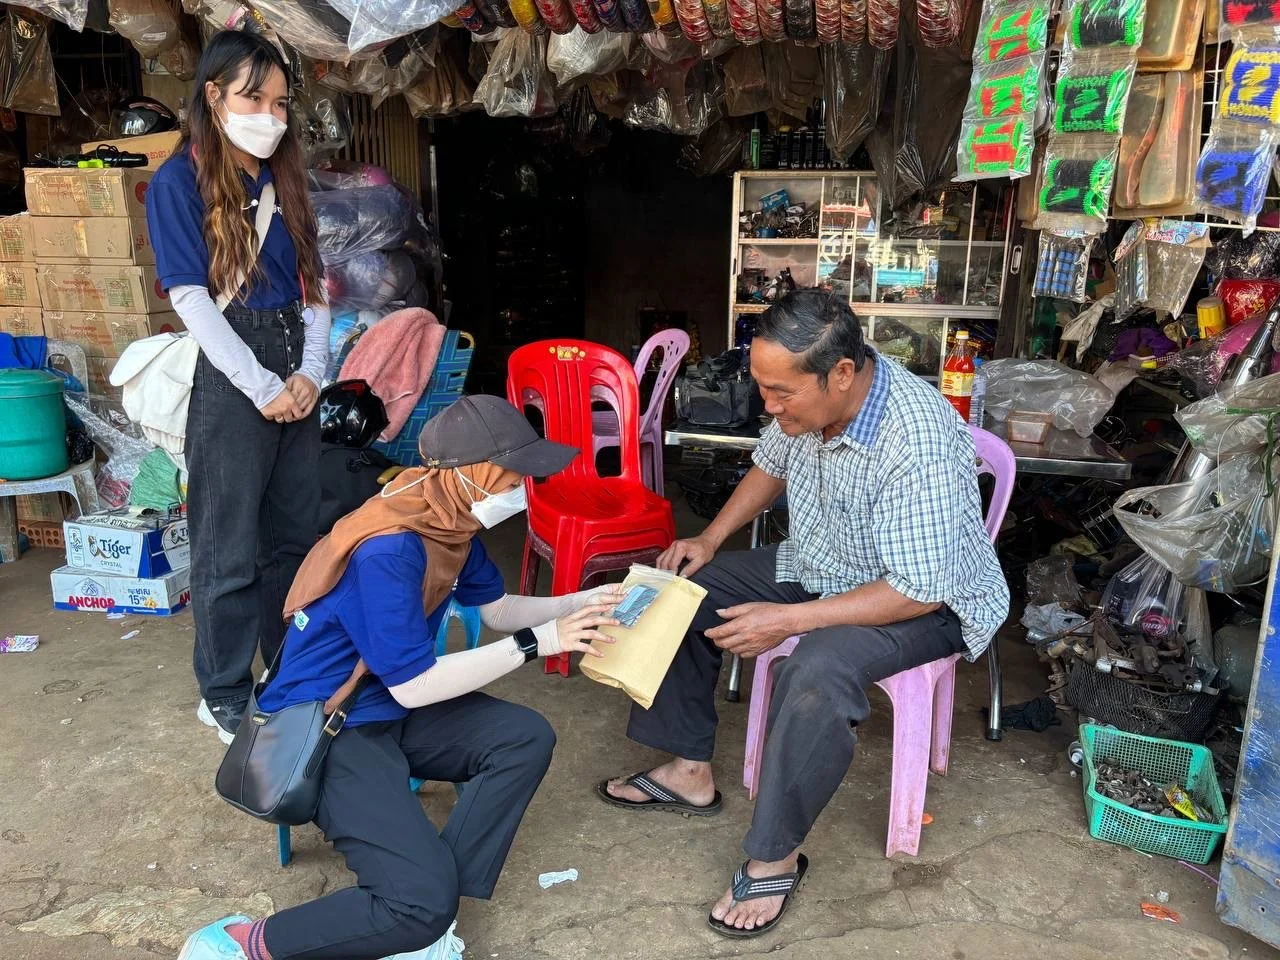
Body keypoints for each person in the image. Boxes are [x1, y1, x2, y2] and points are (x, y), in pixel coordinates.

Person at [598, 289, 1009, 937]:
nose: (768, 405)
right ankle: (687, 770)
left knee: (818, 668)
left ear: (841, 374)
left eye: (780, 393)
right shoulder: (804, 403)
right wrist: (708, 540)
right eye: (762, 388)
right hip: (828, 564)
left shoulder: (916, 437)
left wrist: (786, 622)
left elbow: (918, 590)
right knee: (678, 586)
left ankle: (774, 854)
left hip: (930, 599)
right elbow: (770, 464)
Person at [178, 395, 626, 960]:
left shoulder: (446, 519)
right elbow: (415, 682)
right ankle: (245, 944)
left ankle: (426, 914)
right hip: (330, 726)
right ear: (474, 475)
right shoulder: (390, 548)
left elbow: (497, 611)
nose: (523, 491)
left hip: (385, 706)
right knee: (418, 902)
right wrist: (542, 643)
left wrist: (582, 601)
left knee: (523, 738)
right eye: (515, 477)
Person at [146, 30, 330, 744]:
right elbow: (192, 302)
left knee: (291, 541)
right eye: (257, 97)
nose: (272, 115)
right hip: (235, 369)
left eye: (282, 103)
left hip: (294, 360)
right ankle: (222, 691)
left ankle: (284, 672)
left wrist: (313, 371)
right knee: (227, 547)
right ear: (214, 94)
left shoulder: (284, 174)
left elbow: (316, 284)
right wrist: (262, 387)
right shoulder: (177, 182)